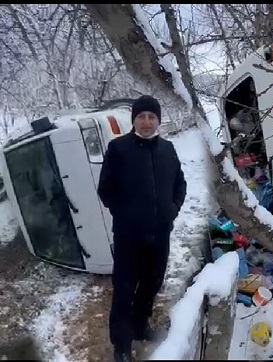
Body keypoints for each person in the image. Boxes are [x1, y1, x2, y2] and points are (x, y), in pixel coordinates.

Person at [97, 95, 187, 362]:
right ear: (133, 120)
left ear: (158, 120)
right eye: (141, 116)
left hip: (160, 235)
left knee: (151, 283)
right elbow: (106, 189)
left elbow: (179, 184)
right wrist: (124, 216)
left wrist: (172, 210)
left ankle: (140, 326)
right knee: (124, 288)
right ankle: (122, 345)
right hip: (129, 236)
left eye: (151, 116)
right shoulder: (118, 149)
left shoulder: (168, 149)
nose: (146, 122)